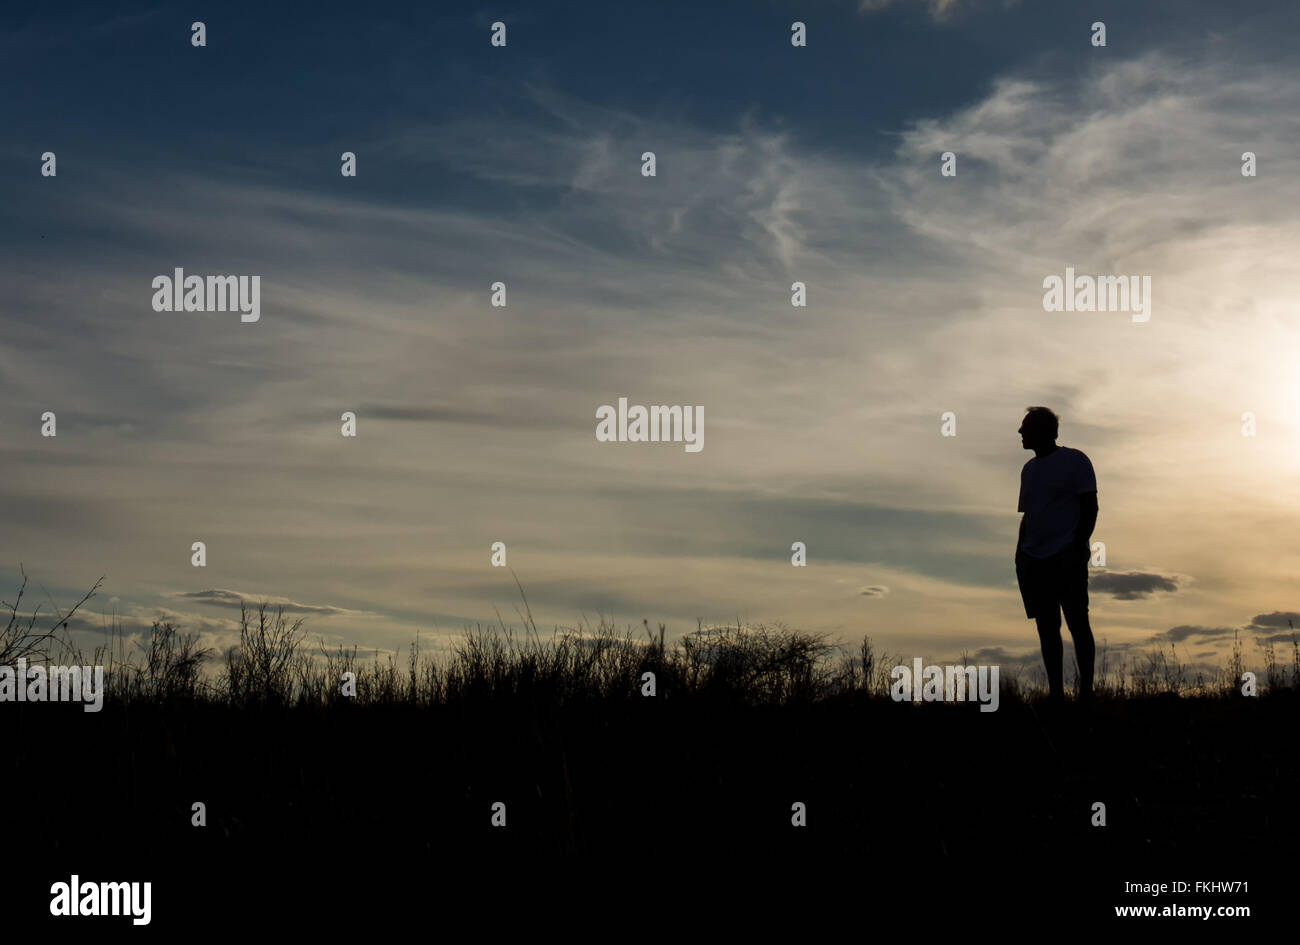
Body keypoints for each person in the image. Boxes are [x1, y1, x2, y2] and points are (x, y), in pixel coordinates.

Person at [1014, 406, 1098, 703]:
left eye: (1025, 426)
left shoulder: (1075, 461)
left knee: (1077, 622)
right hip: (1035, 560)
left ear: (1042, 430)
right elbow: (1029, 516)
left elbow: (1090, 507)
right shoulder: (1029, 470)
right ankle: (1056, 695)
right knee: (1047, 627)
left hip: (1066, 558)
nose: (1020, 432)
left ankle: (1086, 693)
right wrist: (1020, 555)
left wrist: (1078, 547)